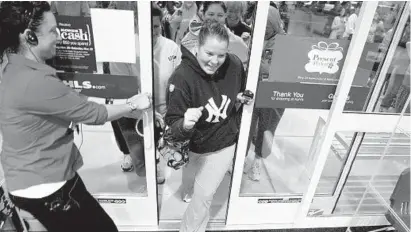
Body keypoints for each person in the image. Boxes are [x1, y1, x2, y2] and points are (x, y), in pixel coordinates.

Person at [0, 2, 151, 231]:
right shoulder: (36, 82)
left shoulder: (11, 67)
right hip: (45, 184)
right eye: (52, 31)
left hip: (26, 175)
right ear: (29, 37)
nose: (59, 37)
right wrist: (133, 104)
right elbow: (94, 113)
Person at [164, 20, 252, 232]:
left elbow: (238, 92)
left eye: (221, 55)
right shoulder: (182, 76)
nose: (215, 61)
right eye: (209, 53)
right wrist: (184, 123)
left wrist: (240, 99)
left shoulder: (235, 65)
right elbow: (172, 125)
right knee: (189, 179)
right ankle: (187, 188)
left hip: (222, 143)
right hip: (192, 145)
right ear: (197, 48)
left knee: (203, 197)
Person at [111, 5, 182, 184]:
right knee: (140, 165)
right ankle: (129, 154)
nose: (151, 31)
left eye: (156, 26)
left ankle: (155, 162)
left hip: (161, 113)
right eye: (146, 26)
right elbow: (120, 88)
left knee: (155, 150)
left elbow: (178, 83)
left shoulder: (171, 48)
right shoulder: (124, 48)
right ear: (136, 23)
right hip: (132, 114)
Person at [247, 5, 285, 181]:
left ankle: (258, 162)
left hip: (272, 94)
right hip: (251, 90)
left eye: (267, 24)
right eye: (259, 22)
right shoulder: (251, 37)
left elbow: (286, 70)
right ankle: (239, 159)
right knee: (245, 127)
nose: (263, 27)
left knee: (266, 129)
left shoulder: (285, 43)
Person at [181, 1, 249, 68]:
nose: (215, 19)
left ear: (225, 16)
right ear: (203, 15)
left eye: (220, 15)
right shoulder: (189, 39)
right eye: (211, 14)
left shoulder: (237, 43)